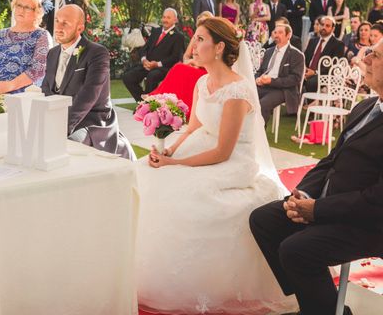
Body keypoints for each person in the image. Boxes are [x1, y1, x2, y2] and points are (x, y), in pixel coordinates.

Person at [136, 17, 293, 314]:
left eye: (200, 39)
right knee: (145, 172)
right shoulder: (201, 81)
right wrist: (167, 150)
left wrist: (176, 163)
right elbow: (194, 125)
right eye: (194, 38)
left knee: (187, 194)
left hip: (232, 162)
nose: (193, 45)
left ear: (219, 47)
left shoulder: (238, 91)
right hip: (200, 146)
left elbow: (223, 151)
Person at [250, 38, 383, 315]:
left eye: (376, 56)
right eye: (369, 52)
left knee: (296, 250)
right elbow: (332, 160)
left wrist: (317, 210)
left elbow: (376, 199)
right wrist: (303, 196)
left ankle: (322, 308)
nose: (365, 60)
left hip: (370, 221)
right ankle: (319, 305)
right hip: (334, 205)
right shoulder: (366, 106)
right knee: (264, 220)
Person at [42, 4, 134, 160]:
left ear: (80, 28)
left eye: (66, 23)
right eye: (57, 21)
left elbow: (88, 96)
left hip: (91, 121)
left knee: (65, 146)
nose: (58, 27)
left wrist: (61, 128)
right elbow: (47, 90)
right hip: (60, 117)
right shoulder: (52, 53)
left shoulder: (97, 53)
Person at [0, 0, 50, 94]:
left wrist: (9, 86)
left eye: (27, 7)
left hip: (22, 98)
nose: (21, 10)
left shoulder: (41, 36)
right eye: (19, 5)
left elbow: (38, 70)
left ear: (37, 12)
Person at [148, 11, 212, 113]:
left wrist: (197, 63)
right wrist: (189, 62)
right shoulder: (196, 36)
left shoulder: (212, 38)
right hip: (194, 65)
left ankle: (174, 105)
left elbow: (212, 59)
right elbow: (186, 55)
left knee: (180, 69)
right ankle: (163, 101)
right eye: (201, 22)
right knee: (179, 67)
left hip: (207, 69)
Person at [122, 8, 185, 102]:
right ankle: (142, 102)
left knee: (152, 76)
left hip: (164, 68)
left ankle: (147, 104)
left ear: (175, 20)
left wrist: (157, 64)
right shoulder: (156, 31)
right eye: (164, 17)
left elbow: (176, 57)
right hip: (147, 65)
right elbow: (145, 48)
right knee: (127, 77)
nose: (165, 20)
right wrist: (144, 60)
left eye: (168, 17)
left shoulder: (178, 36)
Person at [255, 24, 305, 125]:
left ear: (288, 35)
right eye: (275, 32)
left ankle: (259, 136)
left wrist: (271, 81)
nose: (277, 35)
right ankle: (245, 130)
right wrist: (256, 79)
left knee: (263, 105)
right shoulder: (269, 52)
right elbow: (260, 71)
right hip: (264, 85)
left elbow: (295, 79)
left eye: (280, 32)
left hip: (283, 89)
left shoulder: (297, 55)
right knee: (246, 97)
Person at [303, 16, 346, 93]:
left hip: (323, 76)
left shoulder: (338, 44)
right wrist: (304, 70)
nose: (324, 27)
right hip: (307, 72)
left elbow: (334, 66)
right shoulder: (313, 41)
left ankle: (307, 104)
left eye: (327, 26)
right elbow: (305, 58)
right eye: (322, 25)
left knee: (311, 83)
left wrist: (314, 72)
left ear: (333, 29)